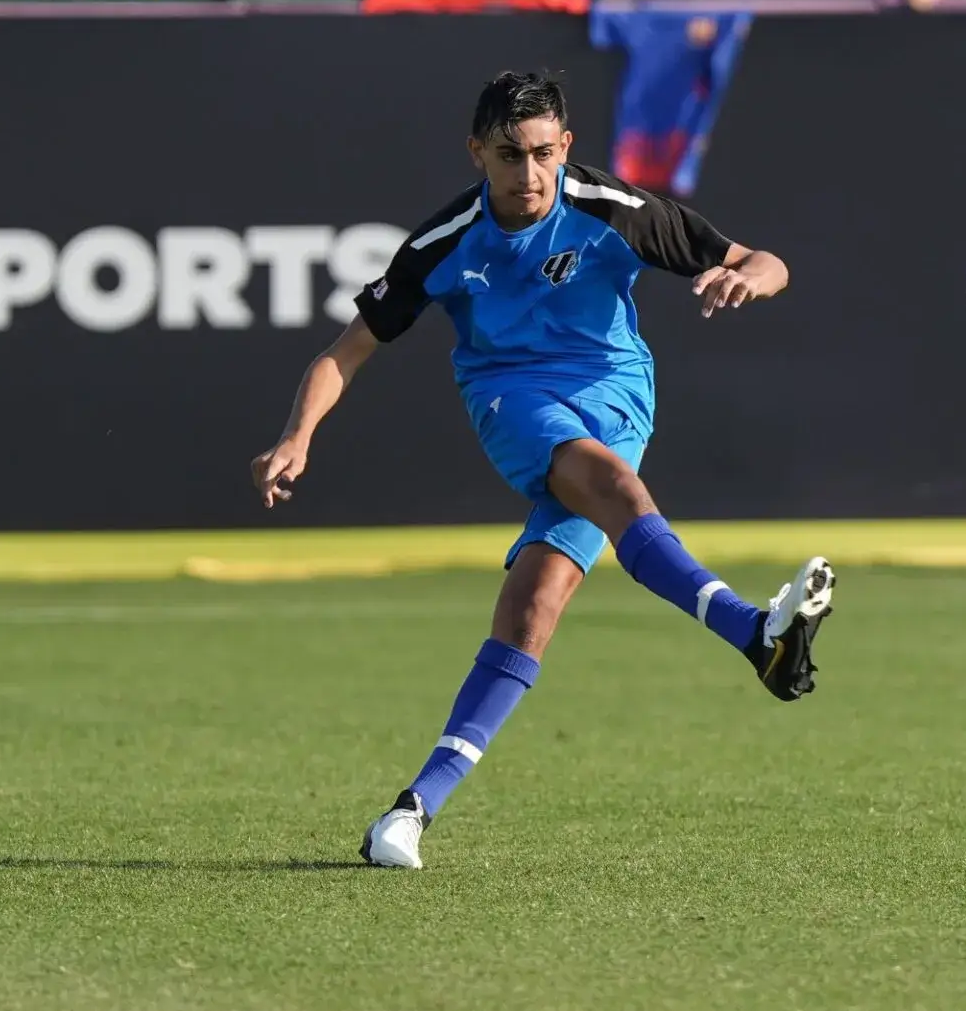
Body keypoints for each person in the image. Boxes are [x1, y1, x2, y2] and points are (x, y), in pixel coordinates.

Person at [249, 72, 835, 870]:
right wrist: (298, 436)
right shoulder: (443, 241)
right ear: (476, 154)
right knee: (616, 490)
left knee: (535, 602)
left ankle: (411, 811)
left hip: (621, 396)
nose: (530, 175)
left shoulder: (611, 210)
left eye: (545, 154)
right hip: (511, 398)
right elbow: (345, 351)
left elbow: (761, 259)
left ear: (566, 148)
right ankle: (754, 631)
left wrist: (748, 278)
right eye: (510, 155)